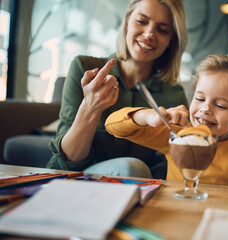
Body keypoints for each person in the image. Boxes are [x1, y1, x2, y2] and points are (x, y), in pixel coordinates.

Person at [105, 54, 228, 194]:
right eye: (200, 98)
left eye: (220, 105)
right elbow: (113, 125)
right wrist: (149, 116)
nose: (206, 109)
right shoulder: (176, 136)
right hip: (179, 212)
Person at [47, 0, 188, 178]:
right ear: (127, 22)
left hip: (139, 190)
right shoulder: (85, 69)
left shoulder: (174, 96)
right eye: (142, 21)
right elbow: (70, 159)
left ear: (171, 41)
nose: (149, 34)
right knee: (132, 167)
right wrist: (91, 108)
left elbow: (175, 162)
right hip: (73, 178)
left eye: (162, 30)